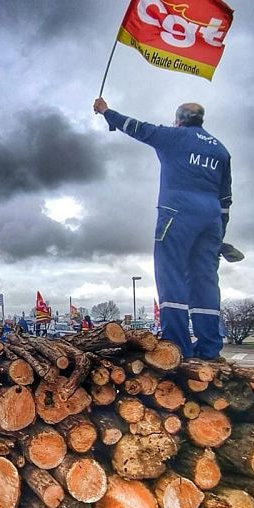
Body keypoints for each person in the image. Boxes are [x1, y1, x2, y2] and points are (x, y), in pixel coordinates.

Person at [94, 97, 232, 360]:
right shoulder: (221, 151)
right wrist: (220, 235)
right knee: (205, 280)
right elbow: (226, 200)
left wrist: (106, 112)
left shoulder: (174, 137)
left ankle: (177, 344)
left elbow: (137, 127)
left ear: (178, 120)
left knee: (171, 274)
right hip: (211, 220)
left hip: (177, 214)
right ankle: (210, 347)